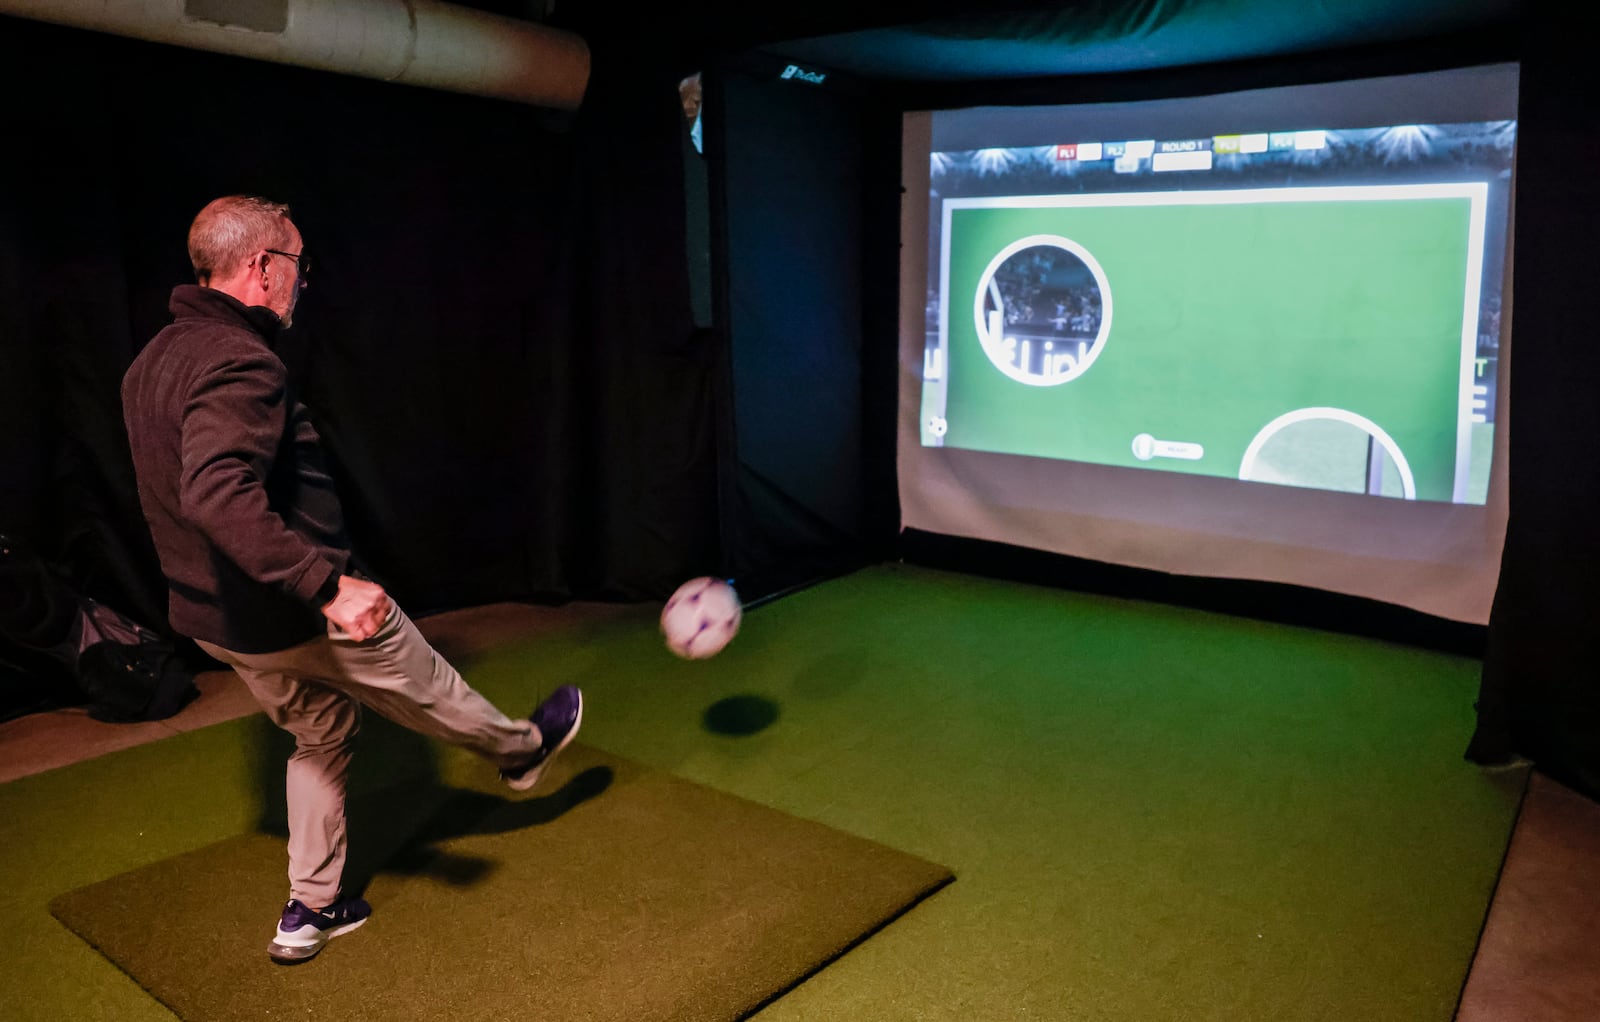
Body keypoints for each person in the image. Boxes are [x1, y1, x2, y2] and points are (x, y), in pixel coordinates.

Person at [120, 195, 583, 964]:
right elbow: (213, 493)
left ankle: (312, 908)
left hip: (219, 623)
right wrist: (326, 587)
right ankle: (522, 751)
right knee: (438, 693)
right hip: (297, 611)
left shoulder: (150, 362)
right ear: (263, 268)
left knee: (321, 730)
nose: (304, 282)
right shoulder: (241, 360)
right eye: (299, 265)